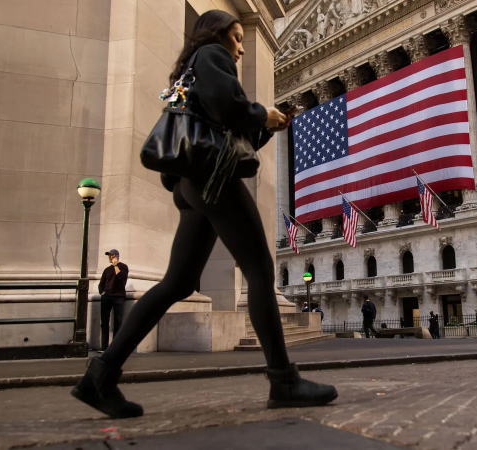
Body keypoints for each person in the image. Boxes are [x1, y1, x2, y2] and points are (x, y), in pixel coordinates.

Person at [71, 10, 337, 419]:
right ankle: (284, 381)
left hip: (192, 184)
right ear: (216, 34)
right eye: (236, 37)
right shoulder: (212, 55)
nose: (241, 46)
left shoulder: (187, 72)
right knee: (260, 270)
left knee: (177, 282)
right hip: (215, 180)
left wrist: (266, 125)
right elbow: (228, 106)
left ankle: (100, 377)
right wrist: (260, 112)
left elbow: (225, 129)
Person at [98, 249, 128, 351]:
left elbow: (121, 278)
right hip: (107, 297)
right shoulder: (107, 270)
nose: (110, 257)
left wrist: (116, 266)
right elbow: (101, 284)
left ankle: (115, 348)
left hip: (119, 297)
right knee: (104, 322)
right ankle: (104, 347)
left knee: (118, 322)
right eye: (109, 256)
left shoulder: (123, 267)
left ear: (116, 256)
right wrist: (102, 292)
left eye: (111, 255)